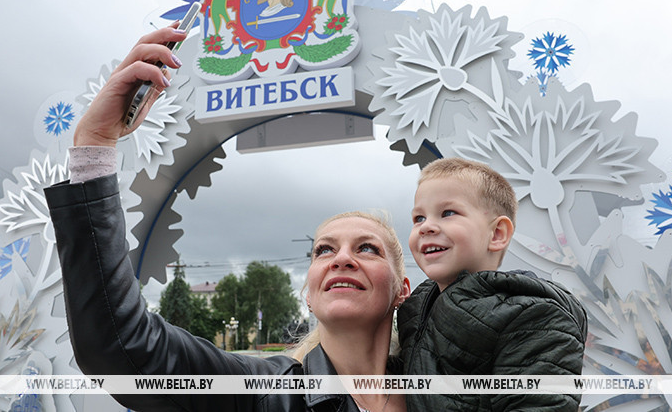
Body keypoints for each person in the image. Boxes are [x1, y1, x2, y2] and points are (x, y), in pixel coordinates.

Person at [44, 26, 411, 411]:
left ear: (402, 289)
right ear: (309, 294)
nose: (341, 258)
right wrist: (95, 142)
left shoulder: (445, 389)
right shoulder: (262, 396)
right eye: (323, 250)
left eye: (367, 248)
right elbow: (122, 348)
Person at [397, 157, 588, 411]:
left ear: (497, 234)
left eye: (448, 213)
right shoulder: (413, 309)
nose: (426, 227)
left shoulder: (534, 317)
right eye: (418, 218)